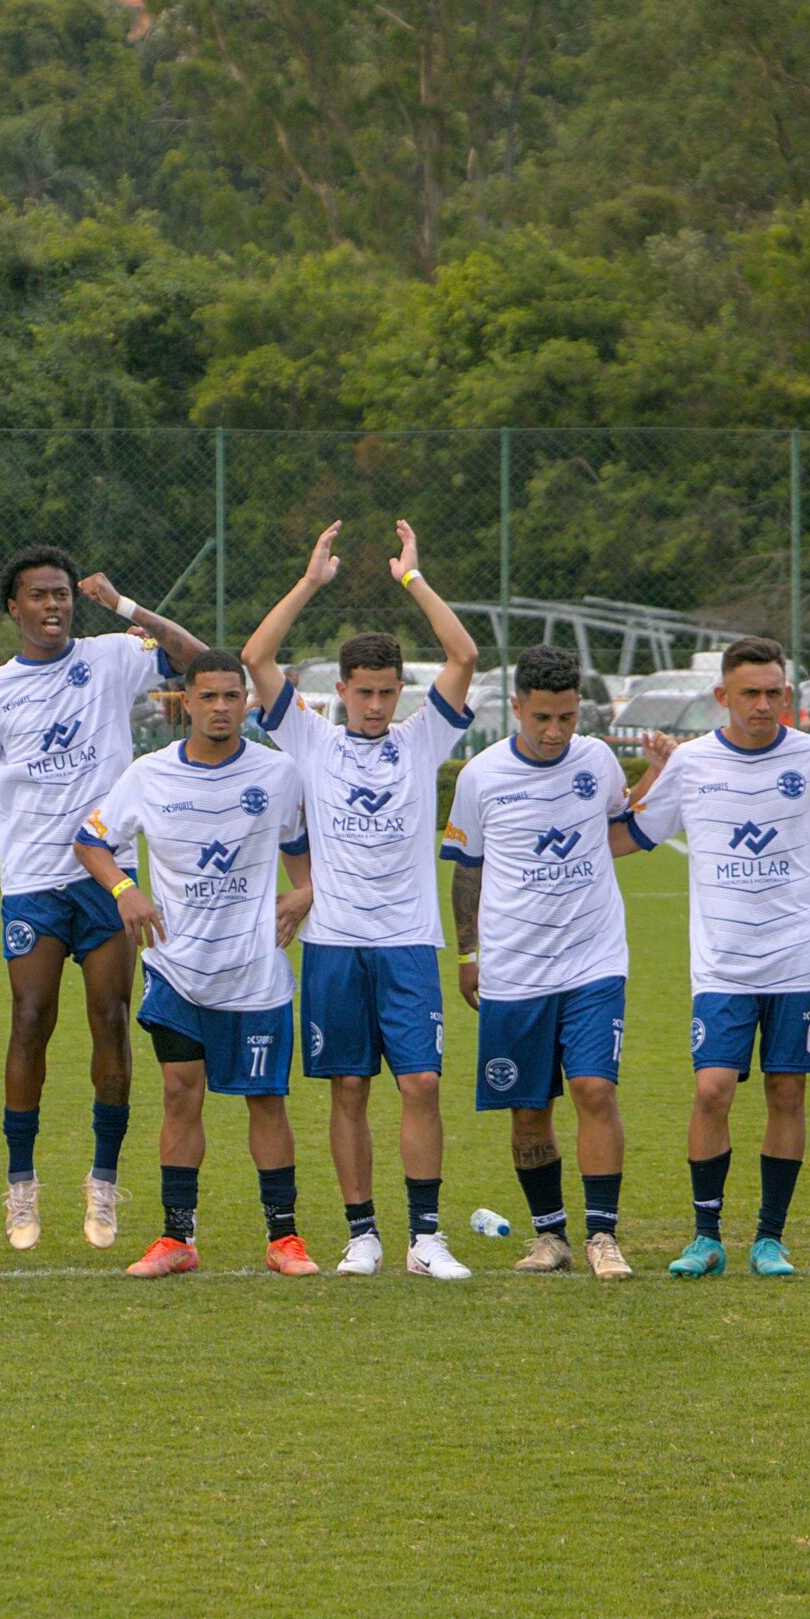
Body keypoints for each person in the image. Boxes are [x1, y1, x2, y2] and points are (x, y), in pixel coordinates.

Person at [243, 519, 479, 1280]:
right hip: (335, 943)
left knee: (421, 1082)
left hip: (409, 940)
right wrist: (312, 581)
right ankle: (363, 1234)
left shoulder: (422, 741)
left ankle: (427, 1237)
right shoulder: (312, 740)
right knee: (348, 1086)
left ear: (401, 692)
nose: (376, 706)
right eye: (364, 693)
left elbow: (465, 655)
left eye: (387, 693)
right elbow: (255, 657)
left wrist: (411, 578)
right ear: (339, 691)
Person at [0, 546, 205, 1251]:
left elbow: (195, 660)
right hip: (34, 881)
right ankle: (20, 1187)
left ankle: (103, 1185)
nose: (53, 606)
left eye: (63, 594)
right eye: (39, 595)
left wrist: (125, 606)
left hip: (105, 878)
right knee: (30, 1018)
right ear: (14, 607)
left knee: (111, 1018)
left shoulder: (110, 655)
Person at [616, 637, 810, 1279]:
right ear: (721, 697)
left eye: (774, 692)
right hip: (723, 966)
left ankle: (770, 1239)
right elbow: (630, 835)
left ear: (788, 695)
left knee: (788, 1091)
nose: (763, 705)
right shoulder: (693, 763)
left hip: (801, 960)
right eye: (750, 693)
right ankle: (705, 1236)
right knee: (712, 1089)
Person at [74, 649, 319, 1279]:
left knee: (266, 1099)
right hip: (177, 969)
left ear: (247, 701)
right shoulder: (149, 775)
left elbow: (305, 845)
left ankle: (284, 1238)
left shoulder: (280, 771)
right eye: (206, 697)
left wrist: (308, 891)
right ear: (186, 702)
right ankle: (176, 1238)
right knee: (182, 1097)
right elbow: (91, 840)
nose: (219, 708)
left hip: (255, 973)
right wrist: (124, 890)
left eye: (230, 697)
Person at [441, 645, 670, 1282]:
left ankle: (602, 1235)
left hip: (594, 959)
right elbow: (468, 870)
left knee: (594, 1089)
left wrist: (655, 776)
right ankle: (551, 1238)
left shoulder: (595, 759)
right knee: (527, 1109)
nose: (554, 732)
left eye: (566, 717)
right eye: (542, 717)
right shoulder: (481, 776)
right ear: (516, 708)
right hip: (514, 967)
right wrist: (468, 954)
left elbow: (617, 826)